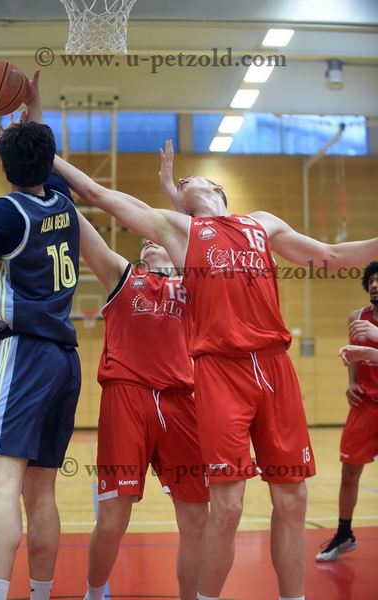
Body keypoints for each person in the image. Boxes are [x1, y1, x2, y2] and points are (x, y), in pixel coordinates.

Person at [53, 146, 378, 600]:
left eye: (193, 177)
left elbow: (331, 253)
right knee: (227, 506)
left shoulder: (261, 223)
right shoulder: (181, 231)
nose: (184, 180)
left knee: (294, 498)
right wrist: (45, 152)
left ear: (219, 188)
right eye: (179, 183)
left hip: (274, 366)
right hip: (220, 373)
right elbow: (96, 194)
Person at [0, 74, 81, 600]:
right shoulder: (62, 203)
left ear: (3, 165)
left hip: (22, 356)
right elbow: (40, 153)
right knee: (41, 491)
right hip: (65, 359)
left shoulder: (2, 213)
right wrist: (34, 111)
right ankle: (41, 594)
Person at [76, 228, 209, 600]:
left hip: (180, 401)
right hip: (126, 396)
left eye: (158, 236)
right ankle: (93, 594)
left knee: (197, 519)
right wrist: (57, 193)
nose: (150, 240)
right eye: (145, 240)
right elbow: (87, 237)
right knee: (113, 519)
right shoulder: (123, 276)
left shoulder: (197, 285)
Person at [316, 261, 378, 562]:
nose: (375, 285)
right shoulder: (356, 317)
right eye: (372, 280)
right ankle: (344, 534)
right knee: (349, 471)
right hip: (365, 405)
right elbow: (354, 353)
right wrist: (352, 382)